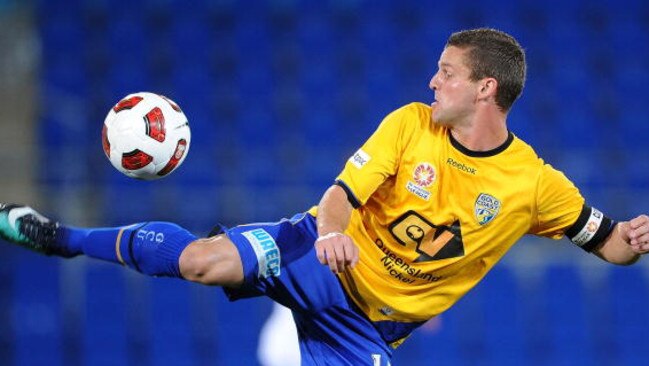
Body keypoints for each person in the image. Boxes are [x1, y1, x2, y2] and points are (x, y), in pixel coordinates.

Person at [1, 28, 649, 365]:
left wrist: (635, 239)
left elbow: (610, 245)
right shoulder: (409, 124)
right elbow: (341, 195)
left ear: (484, 89)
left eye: (446, 73)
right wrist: (331, 231)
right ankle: (58, 237)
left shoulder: (537, 187)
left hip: (366, 327)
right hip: (314, 254)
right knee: (203, 262)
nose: (432, 80)